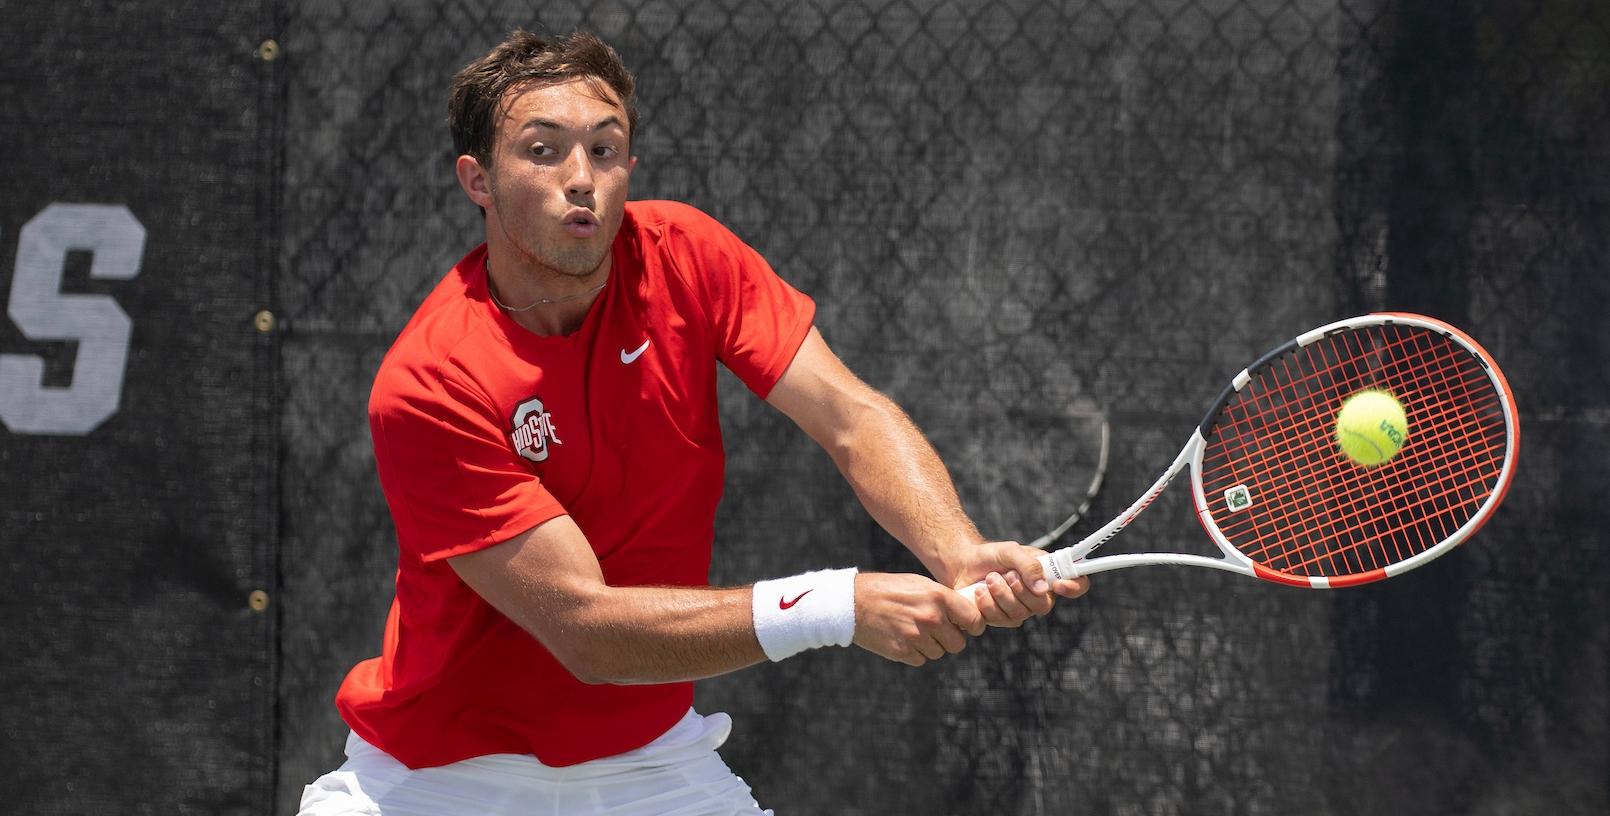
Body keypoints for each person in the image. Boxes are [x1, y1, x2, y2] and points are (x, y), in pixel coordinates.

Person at [299, 28, 1090, 816]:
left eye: (605, 151)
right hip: (442, 777)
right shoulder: (432, 380)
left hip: (652, 764)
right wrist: (836, 606)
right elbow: (586, 628)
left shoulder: (687, 255)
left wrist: (957, 550)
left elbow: (850, 416)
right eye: (543, 151)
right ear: (479, 179)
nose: (583, 179)